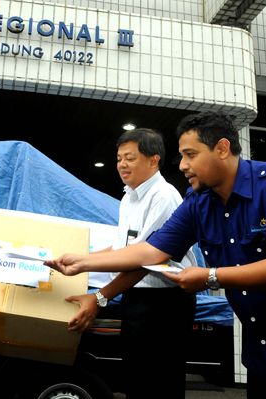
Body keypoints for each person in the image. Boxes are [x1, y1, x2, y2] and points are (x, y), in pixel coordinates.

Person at [46, 110, 266, 398]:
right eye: (182, 156)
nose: (182, 165)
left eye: (190, 154)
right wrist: (81, 262)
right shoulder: (198, 201)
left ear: (222, 148)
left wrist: (210, 277)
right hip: (262, 351)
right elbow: (152, 250)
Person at [66, 128, 197, 398]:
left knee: (159, 383)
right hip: (137, 298)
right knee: (136, 379)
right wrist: (79, 259)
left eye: (129, 158)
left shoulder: (163, 196)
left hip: (164, 304)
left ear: (153, 160)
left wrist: (101, 297)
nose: (122, 165)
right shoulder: (129, 196)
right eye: (118, 158)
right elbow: (122, 249)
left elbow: (144, 260)